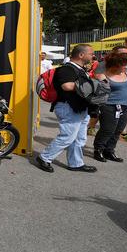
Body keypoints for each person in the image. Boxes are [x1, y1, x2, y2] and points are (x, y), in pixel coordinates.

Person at [35, 44, 97, 173]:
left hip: (79, 108)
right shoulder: (67, 69)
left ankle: (76, 163)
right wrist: (93, 85)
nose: (93, 56)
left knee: (79, 139)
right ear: (81, 55)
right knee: (67, 137)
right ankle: (44, 158)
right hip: (68, 107)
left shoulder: (79, 69)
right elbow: (67, 86)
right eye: (91, 54)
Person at [93, 51, 127, 163]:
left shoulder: (125, 74)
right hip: (109, 106)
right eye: (124, 64)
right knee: (107, 129)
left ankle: (109, 150)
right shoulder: (103, 75)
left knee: (118, 130)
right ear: (115, 64)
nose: (126, 66)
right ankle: (98, 149)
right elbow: (99, 91)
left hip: (125, 106)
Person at [89, 45, 127, 135]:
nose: (125, 55)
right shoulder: (104, 64)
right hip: (107, 99)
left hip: (122, 100)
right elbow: (97, 77)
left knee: (114, 129)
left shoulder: (126, 64)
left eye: (126, 53)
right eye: (122, 53)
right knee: (105, 126)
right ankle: (91, 127)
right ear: (114, 53)